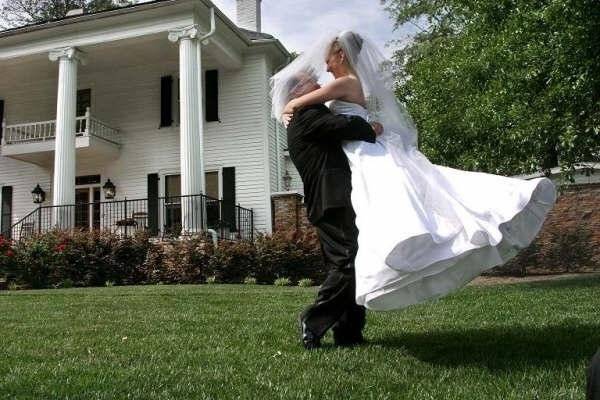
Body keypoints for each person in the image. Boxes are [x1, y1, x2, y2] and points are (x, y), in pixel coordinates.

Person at [270, 30, 557, 312]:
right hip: (351, 160)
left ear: (341, 54)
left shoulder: (342, 83)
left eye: (328, 58)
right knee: (371, 226)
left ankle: (335, 318)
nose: (325, 66)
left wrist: (289, 106)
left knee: (379, 214)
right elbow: (333, 119)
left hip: (361, 151)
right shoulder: (341, 89)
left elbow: (302, 104)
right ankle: (342, 319)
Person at [283, 70, 382, 349]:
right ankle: (312, 320)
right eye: (310, 81)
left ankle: (348, 332)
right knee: (348, 262)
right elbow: (342, 126)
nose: (318, 84)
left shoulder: (305, 114)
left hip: (331, 200)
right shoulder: (307, 115)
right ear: (297, 93)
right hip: (332, 201)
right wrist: (370, 127)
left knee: (351, 264)